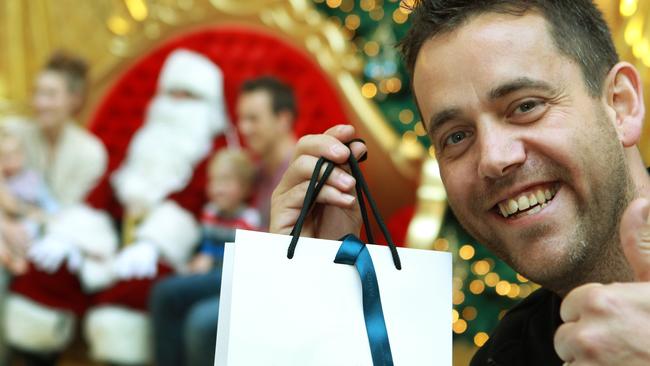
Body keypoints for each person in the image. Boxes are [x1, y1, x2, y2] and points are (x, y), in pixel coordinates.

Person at [270, 1, 650, 365]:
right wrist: (323, 294)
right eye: (456, 136)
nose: (494, 158)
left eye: (525, 106)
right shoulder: (508, 353)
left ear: (621, 104)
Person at [150, 75, 296, 366]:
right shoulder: (252, 168)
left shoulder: (297, 172)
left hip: (271, 280)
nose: (244, 128)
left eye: (254, 119)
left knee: (201, 322)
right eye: (241, 119)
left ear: (283, 119)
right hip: (237, 267)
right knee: (165, 293)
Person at [150, 149, 260, 366]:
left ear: (246, 187)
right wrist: (201, 258)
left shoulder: (248, 220)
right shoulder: (210, 213)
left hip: (232, 274)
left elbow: (245, 257)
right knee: (166, 289)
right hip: (211, 272)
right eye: (214, 181)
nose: (218, 189)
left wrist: (209, 259)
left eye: (226, 181)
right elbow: (207, 244)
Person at [0, 130, 59, 275]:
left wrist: (43, 214)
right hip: (5, 225)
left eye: (15, 154)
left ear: (23, 155)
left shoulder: (32, 179)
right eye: (4, 157)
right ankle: (6, 255)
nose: (10, 161)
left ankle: (19, 259)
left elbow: (51, 206)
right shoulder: (3, 182)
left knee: (29, 229)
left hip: (27, 222)